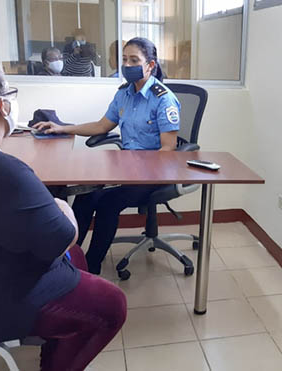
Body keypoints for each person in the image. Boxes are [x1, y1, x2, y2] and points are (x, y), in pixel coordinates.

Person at [0, 52, 127, 371]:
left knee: (79, 262)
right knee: (112, 305)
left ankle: (58, 337)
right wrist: (60, 206)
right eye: (9, 94)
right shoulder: (2, 172)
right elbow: (62, 239)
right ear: (1, 105)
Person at [33, 37, 180, 274]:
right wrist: (63, 127)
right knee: (84, 195)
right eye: (124, 60)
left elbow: (168, 149)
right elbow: (102, 126)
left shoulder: (163, 98)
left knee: (108, 203)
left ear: (150, 65)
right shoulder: (124, 94)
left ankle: (91, 267)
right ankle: (68, 258)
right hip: (128, 168)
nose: (127, 65)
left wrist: (137, 170)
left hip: (153, 172)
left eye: (134, 60)